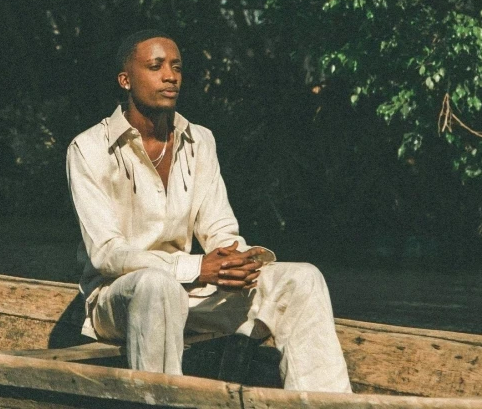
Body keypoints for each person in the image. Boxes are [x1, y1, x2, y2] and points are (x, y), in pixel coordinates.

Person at [66, 30, 351, 392]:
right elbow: (107, 254)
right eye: (156, 67)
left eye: (177, 67)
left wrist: (237, 262)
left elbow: (219, 228)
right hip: (118, 299)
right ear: (125, 80)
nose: (170, 75)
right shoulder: (88, 148)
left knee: (302, 279)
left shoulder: (200, 139)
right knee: (157, 286)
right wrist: (197, 267)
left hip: (191, 291)